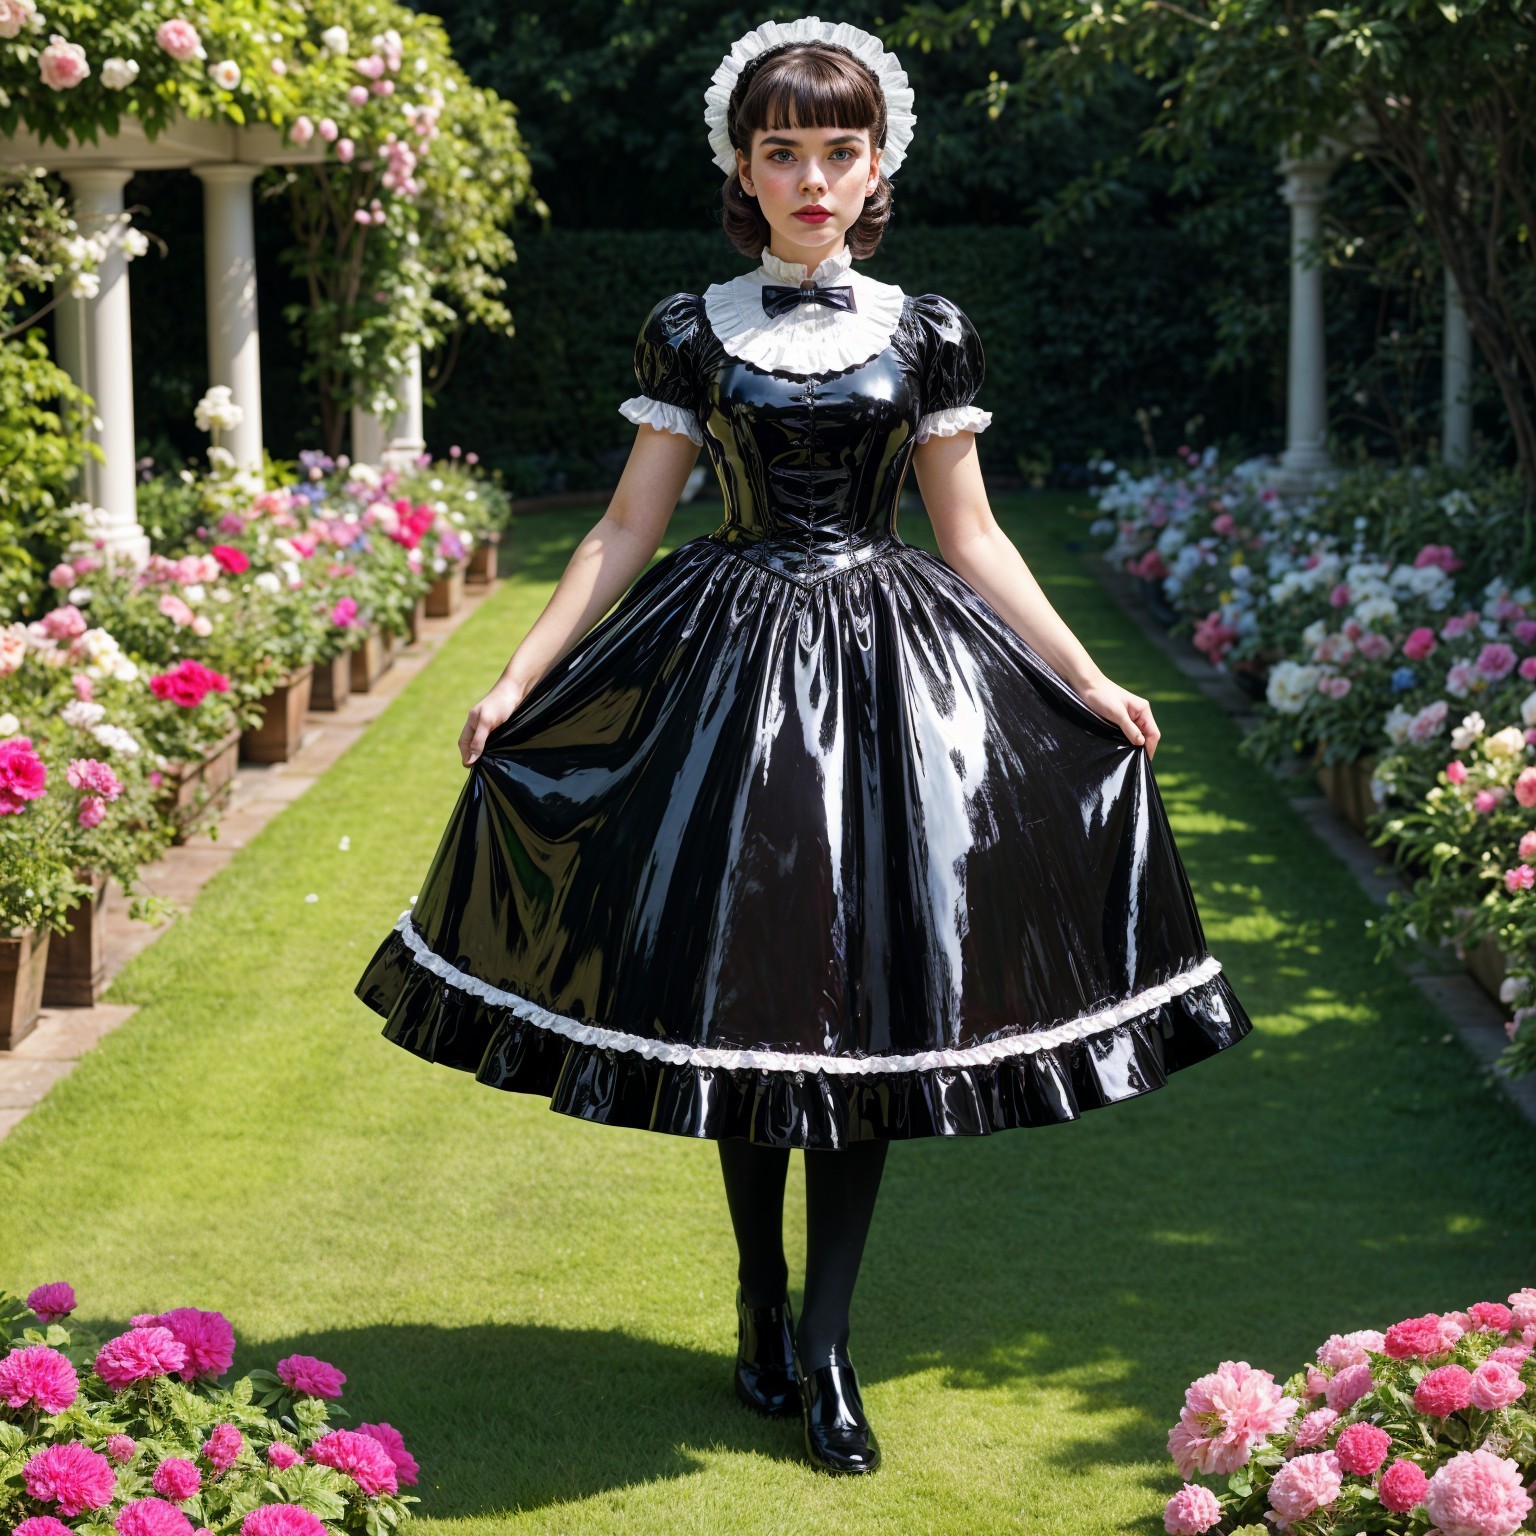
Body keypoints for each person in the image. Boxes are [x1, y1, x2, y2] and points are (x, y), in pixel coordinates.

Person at [354, 15, 1254, 1479]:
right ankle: (757, 1294)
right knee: (747, 1003)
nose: (813, 177)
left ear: (877, 162)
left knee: (865, 1020)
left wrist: (1084, 677)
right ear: (745, 165)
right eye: (785, 152)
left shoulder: (928, 326)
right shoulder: (689, 325)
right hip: (725, 683)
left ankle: (826, 1341)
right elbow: (628, 523)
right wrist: (522, 674)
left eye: (839, 151)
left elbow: (970, 535)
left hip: (893, 685)